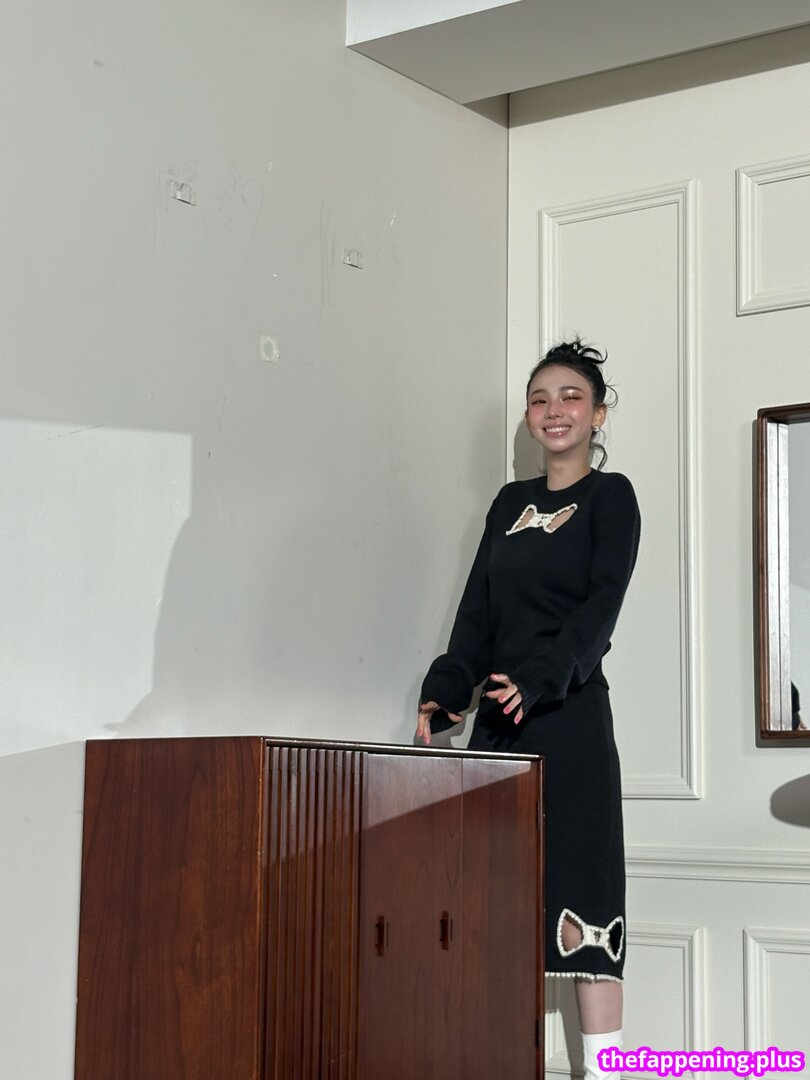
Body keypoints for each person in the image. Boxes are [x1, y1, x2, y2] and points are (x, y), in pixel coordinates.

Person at [416, 339, 641, 1080]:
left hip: (570, 720)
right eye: (540, 398)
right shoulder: (510, 505)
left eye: (571, 396)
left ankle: (605, 1072)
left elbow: (599, 611)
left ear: (597, 414)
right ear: (527, 416)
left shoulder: (612, 498)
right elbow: (477, 614)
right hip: (499, 730)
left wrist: (541, 677)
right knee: (496, 908)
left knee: (586, 908)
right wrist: (448, 690)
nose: (554, 410)